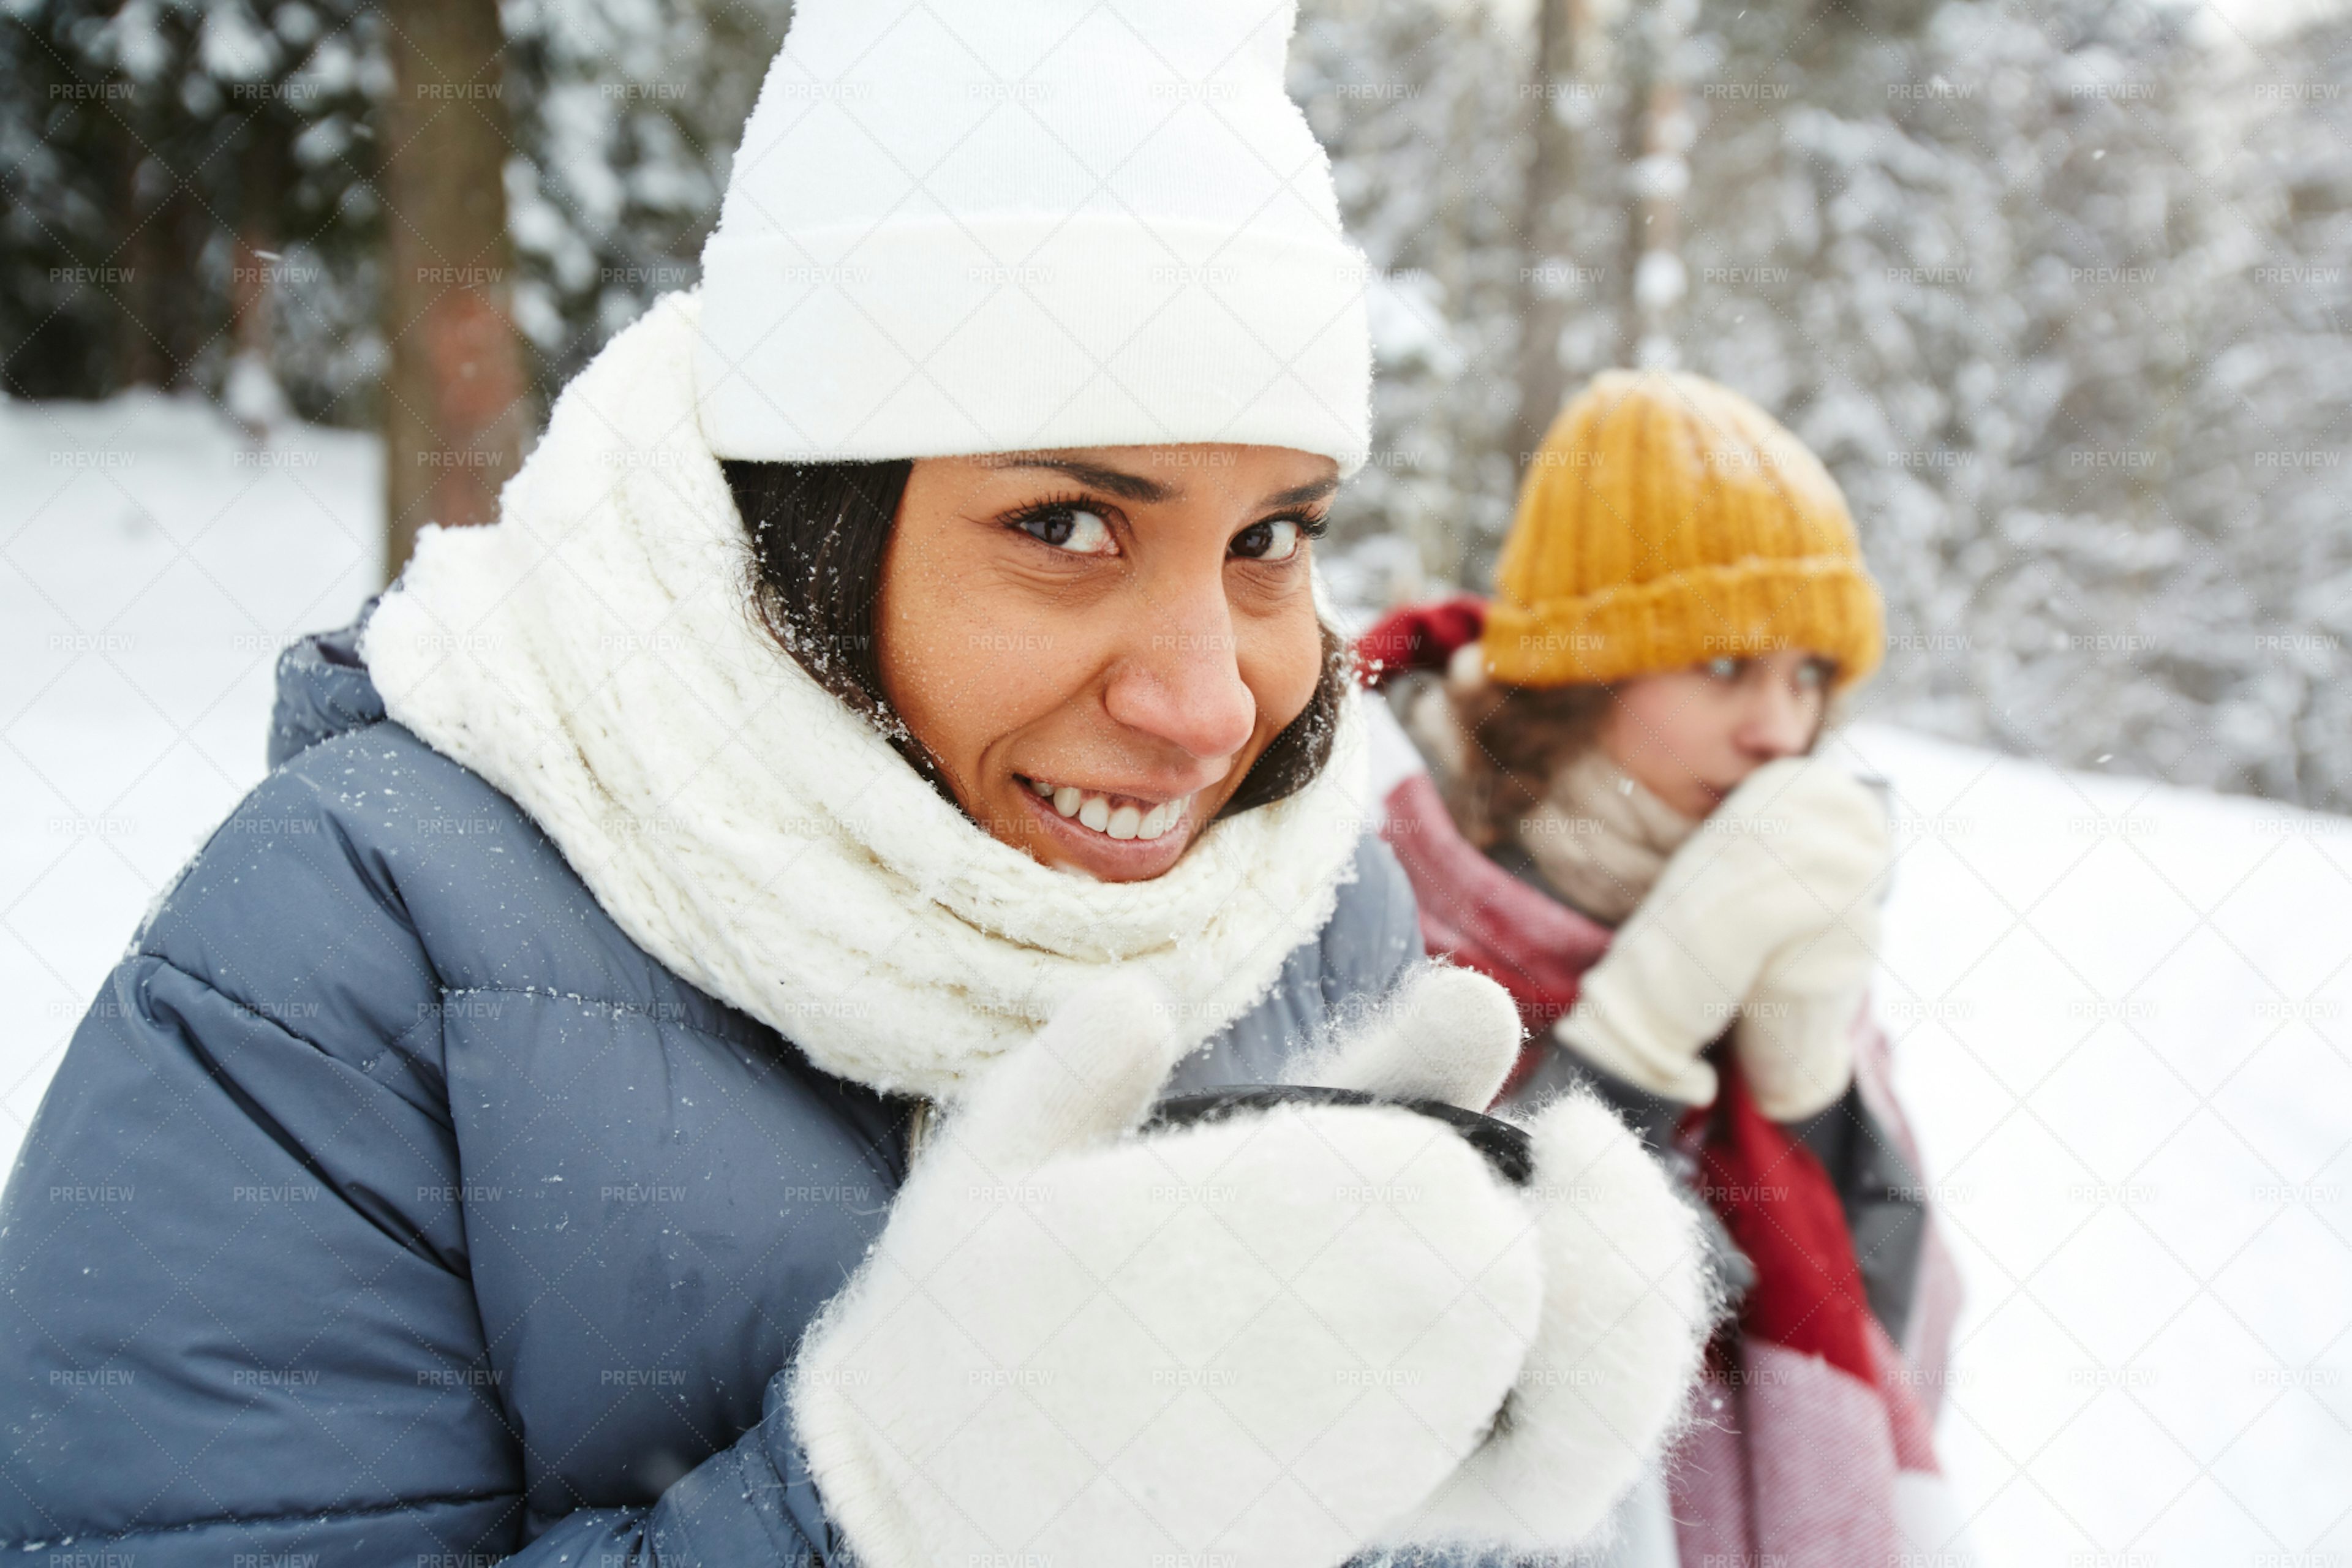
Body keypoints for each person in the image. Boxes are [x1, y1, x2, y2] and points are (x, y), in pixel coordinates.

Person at [0, 7, 1716, 1567]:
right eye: (1066, 526)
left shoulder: (1314, 921)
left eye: (1270, 539)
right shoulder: (351, 954)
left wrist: (1463, 1490)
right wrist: (887, 1511)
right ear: (802, 520)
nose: (1207, 707)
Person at [1358, 371, 1973, 1566]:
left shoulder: (1779, 896)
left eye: (1808, 676)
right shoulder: (1383, 888)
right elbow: (1446, 1344)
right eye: (1728, 666)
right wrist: (1636, 1037)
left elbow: (1890, 1317)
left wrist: (1809, 1088)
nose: (1779, 732)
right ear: (1590, 665)